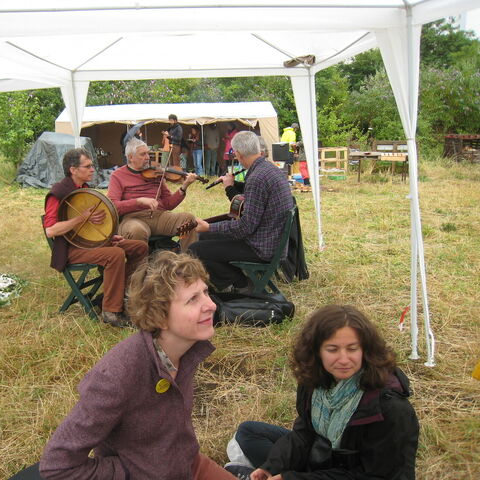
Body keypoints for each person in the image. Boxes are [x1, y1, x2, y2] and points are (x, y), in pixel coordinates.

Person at [39, 251, 237, 480]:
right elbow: (57, 466)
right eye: (192, 299)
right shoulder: (115, 377)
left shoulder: (186, 350)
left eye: (205, 292)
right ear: (159, 316)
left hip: (187, 465)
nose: (211, 305)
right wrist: (131, 472)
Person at [225, 305, 420, 480]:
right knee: (249, 432)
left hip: (357, 474)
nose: (343, 359)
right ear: (317, 351)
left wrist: (292, 478)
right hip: (324, 460)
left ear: (365, 350)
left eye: (352, 349)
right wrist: (272, 466)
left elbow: (376, 475)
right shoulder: (315, 382)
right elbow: (305, 434)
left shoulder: (388, 407)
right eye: (333, 350)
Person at [43, 148, 148, 327]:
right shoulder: (58, 193)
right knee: (114, 254)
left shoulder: (83, 189)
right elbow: (51, 230)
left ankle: (126, 294)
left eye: (92, 165)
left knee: (140, 247)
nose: (93, 169)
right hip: (70, 250)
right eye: (88, 166)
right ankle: (111, 312)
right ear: (73, 170)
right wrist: (81, 218)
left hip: (89, 243)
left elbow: (91, 225)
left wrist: (109, 237)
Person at [189, 131, 294, 293]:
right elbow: (254, 196)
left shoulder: (257, 178)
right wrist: (232, 185)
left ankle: (241, 284)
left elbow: (245, 227)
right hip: (270, 239)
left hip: (262, 247)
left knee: (196, 249)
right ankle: (233, 279)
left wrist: (209, 227)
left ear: (238, 154)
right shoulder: (268, 169)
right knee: (205, 238)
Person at [107, 137, 199, 252]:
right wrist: (139, 201)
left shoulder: (156, 173)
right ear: (130, 157)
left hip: (159, 216)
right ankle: (141, 263)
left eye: (148, 153)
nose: (147, 157)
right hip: (133, 218)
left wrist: (184, 187)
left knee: (188, 220)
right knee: (136, 231)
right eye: (143, 154)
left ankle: (188, 259)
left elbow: (168, 204)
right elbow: (113, 206)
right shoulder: (118, 175)